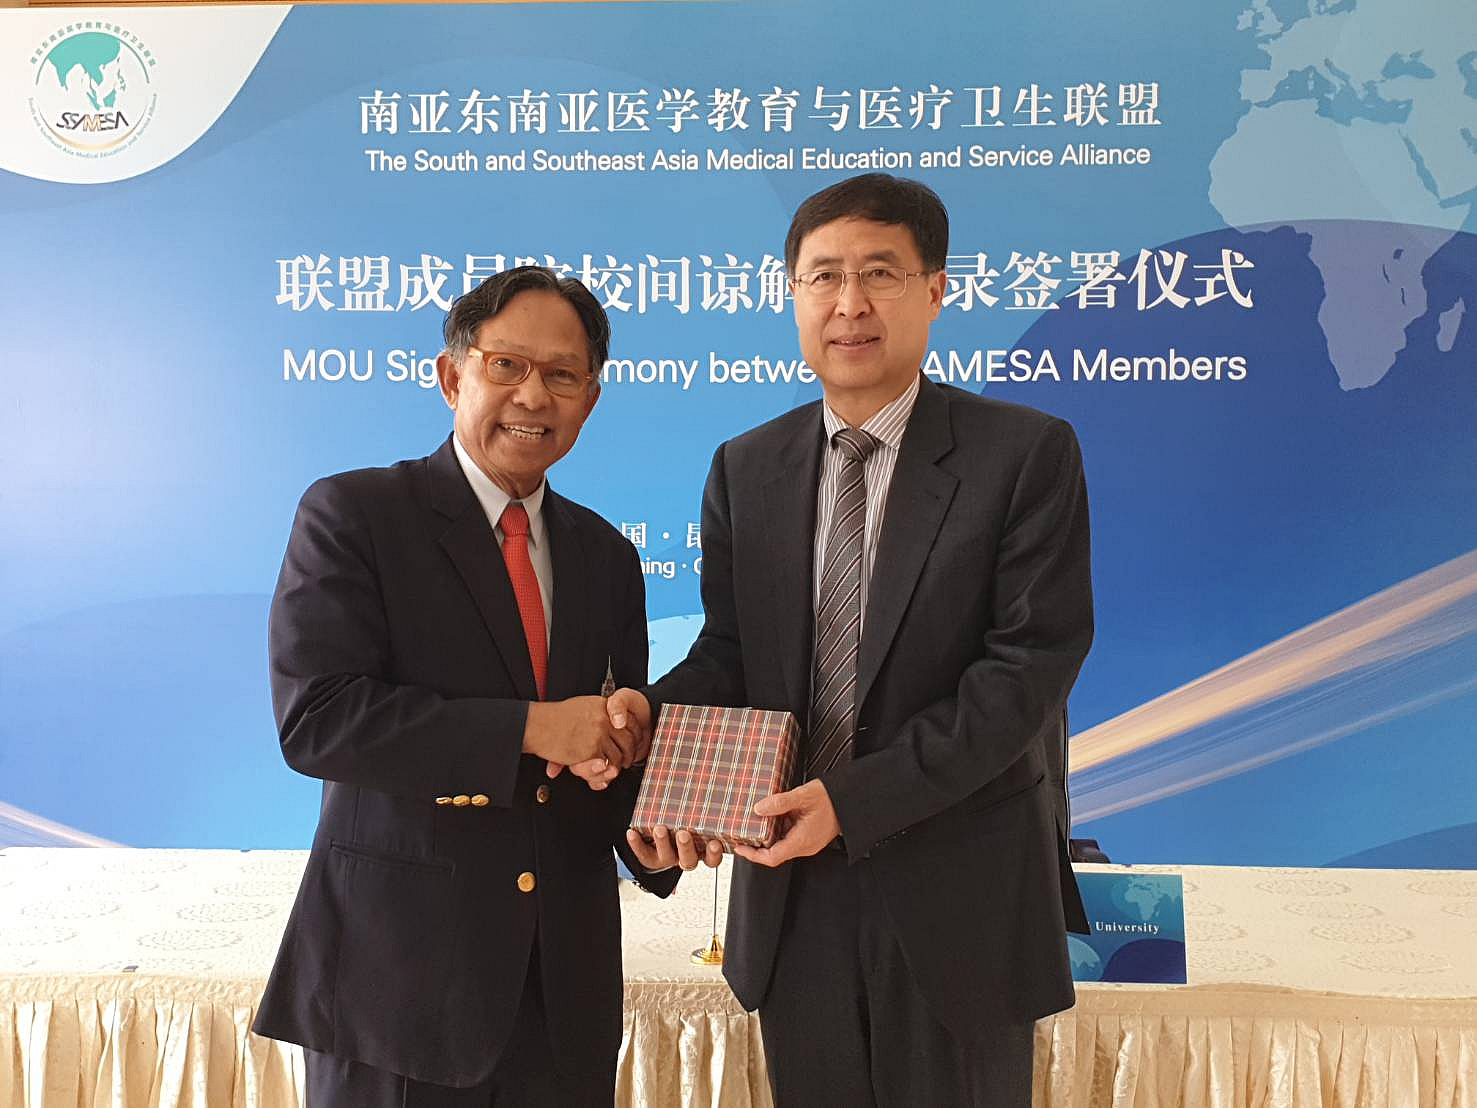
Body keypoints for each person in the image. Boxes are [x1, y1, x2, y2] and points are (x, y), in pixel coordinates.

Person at [609, 175, 1094, 1107]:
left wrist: (851, 799)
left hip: (960, 890)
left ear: (935, 289)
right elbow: (732, 655)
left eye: (880, 272)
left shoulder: (1023, 453)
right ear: (793, 293)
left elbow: (1026, 669)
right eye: (823, 275)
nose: (850, 302)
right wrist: (649, 727)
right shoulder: (746, 465)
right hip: (792, 889)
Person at [252, 265, 678, 1107]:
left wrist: (647, 831)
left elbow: (601, 748)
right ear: (453, 377)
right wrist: (530, 727)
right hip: (398, 986)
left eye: (563, 375)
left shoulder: (605, 555)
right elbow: (319, 719)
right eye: (506, 365)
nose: (534, 396)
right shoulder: (357, 514)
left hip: (562, 996)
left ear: (590, 400)